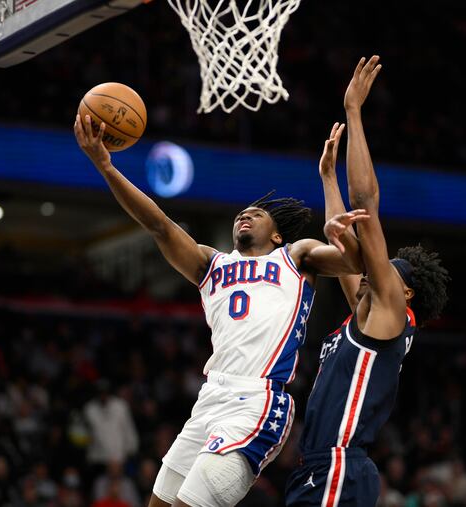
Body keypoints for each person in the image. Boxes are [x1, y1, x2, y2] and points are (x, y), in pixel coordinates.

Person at [74, 114, 368, 507]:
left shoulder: (295, 257)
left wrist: (341, 234)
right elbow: (159, 225)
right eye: (240, 213)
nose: (244, 215)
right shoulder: (210, 264)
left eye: (256, 214)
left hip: (257, 401)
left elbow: (354, 263)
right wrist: (105, 166)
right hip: (210, 399)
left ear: (277, 234)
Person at [285, 56, 450, 506]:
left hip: (338, 466)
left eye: (386, 267)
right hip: (321, 467)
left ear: (406, 291)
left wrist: (354, 112)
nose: (374, 270)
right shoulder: (362, 316)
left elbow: (366, 206)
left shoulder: (392, 312)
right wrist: (326, 177)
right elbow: (344, 248)